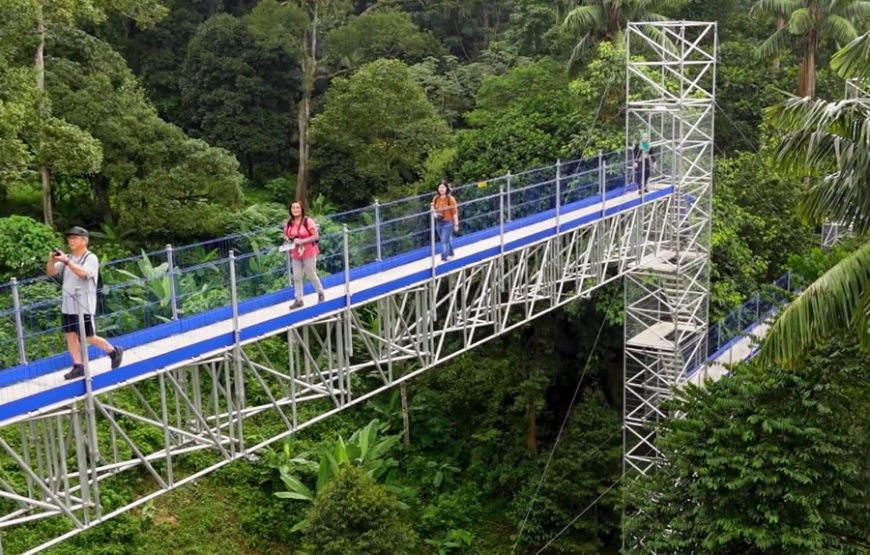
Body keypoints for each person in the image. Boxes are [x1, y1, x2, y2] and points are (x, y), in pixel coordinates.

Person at [46, 226, 123, 380]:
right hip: (67, 304)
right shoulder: (69, 257)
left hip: (84, 305)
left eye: (75, 238)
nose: (71, 241)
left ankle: (113, 351)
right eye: (69, 238)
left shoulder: (90, 258)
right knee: (70, 335)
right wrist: (52, 259)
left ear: (84, 240)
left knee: (87, 336)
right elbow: (52, 272)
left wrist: (67, 261)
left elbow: (84, 273)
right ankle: (78, 366)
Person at [284, 201, 325, 309]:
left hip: (308, 251)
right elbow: (286, 236)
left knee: (310, 273)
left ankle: (320, 292)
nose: (295, 210)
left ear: (301, 209)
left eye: (297, 208)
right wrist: (289, 240)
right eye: (293, 208)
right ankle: (299, 299)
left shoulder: (308, 221)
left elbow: (316, 236)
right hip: (295, 253)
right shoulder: (289, 223)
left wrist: (302, 241)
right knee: (297, 276)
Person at [431, 180, 460, 261]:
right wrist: (435, 214)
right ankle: (451, 253)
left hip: (448, 222)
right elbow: (432, 208)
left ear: (447, 188)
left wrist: (456, 224)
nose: (441, 189)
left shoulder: (450, 199)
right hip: (439, 222)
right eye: (440, 187)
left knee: (444, 240)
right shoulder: (436, 198)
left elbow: (455, 213)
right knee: (445, 239)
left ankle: (444, 257)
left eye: (443, 187)